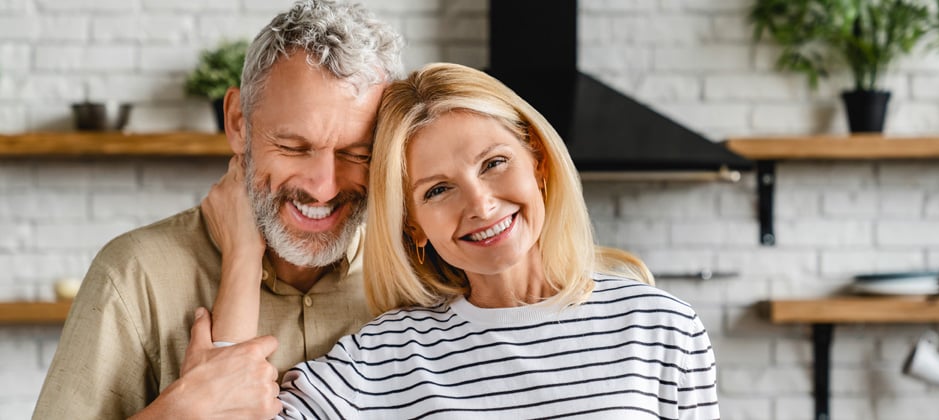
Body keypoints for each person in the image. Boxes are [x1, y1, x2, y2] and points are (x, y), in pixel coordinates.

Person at [205, 62, 720, 419]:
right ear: (413, 225)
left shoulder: (660, 325)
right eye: (438, 189)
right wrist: (244, 257)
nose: (479, 204)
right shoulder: (391, 354)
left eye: (494, 163)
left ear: (537, 161)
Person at [31, 1, 404, 418]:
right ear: (237, 123)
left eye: (357, 153)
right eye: (294, 147)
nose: (324, 188)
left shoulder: (417, 275)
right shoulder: (134, 274)